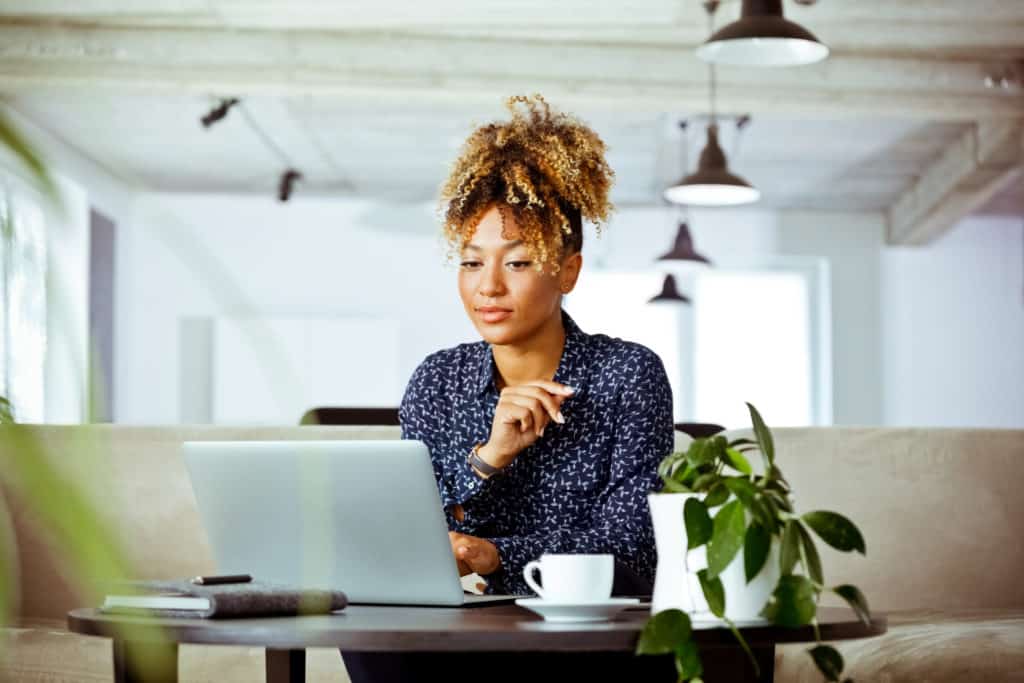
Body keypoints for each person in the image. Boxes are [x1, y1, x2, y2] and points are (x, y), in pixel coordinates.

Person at [341, 94, 676, 682]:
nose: (488, 287)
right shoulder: (437, 380)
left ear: (567, 270)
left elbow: (636, 553)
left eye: (517, 263)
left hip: (585, 643)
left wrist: (498, 555)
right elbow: (411, 538)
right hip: (457, 635)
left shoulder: (628, 374)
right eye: (472, 263)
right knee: (368, 637)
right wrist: (488, 459)